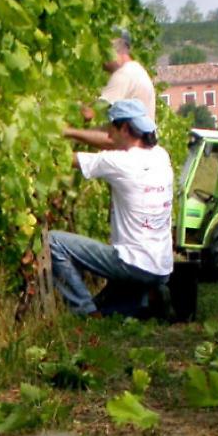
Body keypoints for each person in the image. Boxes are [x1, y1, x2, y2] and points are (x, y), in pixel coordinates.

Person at [50, 99, 174, 318]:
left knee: (53, 241)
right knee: (113, 310)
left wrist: (55, 135)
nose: (107, 134)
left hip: (132, 264)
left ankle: (85, 311)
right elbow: (110, 145)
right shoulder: (160, 155)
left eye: (110, 129)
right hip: (162, 267)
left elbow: (64, 160)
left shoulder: (118, 162)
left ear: (124, 129)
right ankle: (150, 297)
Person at [77, 32, 158, 148]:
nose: (101, 63)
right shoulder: (136, 70)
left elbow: (94, 111)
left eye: (104, 55)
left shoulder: (124, 74)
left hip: (133, 147)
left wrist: (70, 125)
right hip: (144, 144)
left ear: (114, 53)